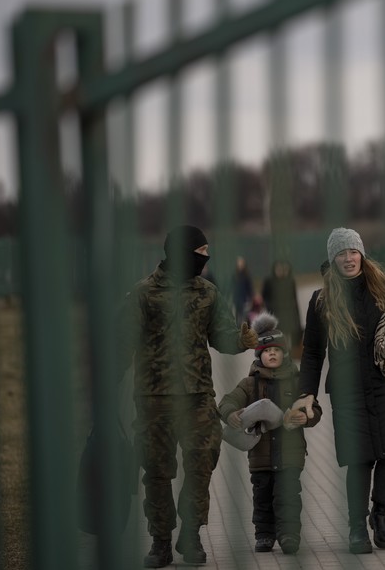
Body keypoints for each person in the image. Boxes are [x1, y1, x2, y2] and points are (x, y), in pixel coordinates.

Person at [117, 225, 259, 568]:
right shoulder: (143, 294)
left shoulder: (208, 293)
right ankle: (161, 541)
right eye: (201, 253)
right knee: (157, 470)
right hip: (153, 400)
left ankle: (191, 534)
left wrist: (242, 340)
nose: (206, 259)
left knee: (202, 462)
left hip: (197, 397)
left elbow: (222, 338)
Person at [291, 227, 385, 554]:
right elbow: (313, 353)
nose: (348, 258)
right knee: (360, 460)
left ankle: (381, 512)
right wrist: (307, 393)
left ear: (362, 254)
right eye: (341, 253)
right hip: (348, 391)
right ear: (333, 259)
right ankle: (357, 525)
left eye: (353, 251)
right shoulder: (322, 300)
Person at [218, 312, 322, 555]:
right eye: (266, 351)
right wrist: (231, 414)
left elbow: (314, 408)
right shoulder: (249, 383)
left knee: (288, 497)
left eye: (276, 350)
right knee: (262, 498)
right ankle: (264, 535)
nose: (272, 354)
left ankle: (289, 535)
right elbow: (226, 401)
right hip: (260, 457)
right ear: (259, 355)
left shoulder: (297, 381)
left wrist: (307, 416)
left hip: (290, 455)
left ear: (284, 354)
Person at [261, 260, 303, 356]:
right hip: (276, 314)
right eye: (278, 269)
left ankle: (289, 354)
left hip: (289, 314)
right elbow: (265, 297)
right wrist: (270, 307)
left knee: (290, 335)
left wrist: (297, 317)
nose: (281, 271)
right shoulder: (269, 281)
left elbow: (294, 299)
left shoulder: (290, 281)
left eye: (283, 269)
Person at [231, 255, 254, 325]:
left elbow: (250, 288)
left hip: (244, 300)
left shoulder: (246, 275)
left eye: (241, 262)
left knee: (244, 318)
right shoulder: (234, 275)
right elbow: (232, 288)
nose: (240, 264)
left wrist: (250, 299)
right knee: (237, 318)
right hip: (236, 300)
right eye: (239, 262)